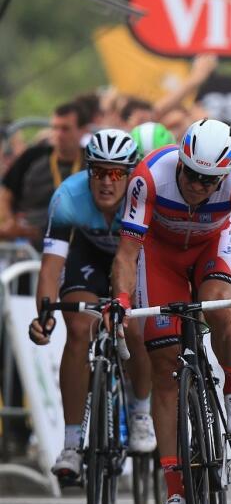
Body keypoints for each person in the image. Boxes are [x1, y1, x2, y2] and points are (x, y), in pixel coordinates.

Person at [111, 118, 231, 504]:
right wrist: (122, 303)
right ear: (181, 160)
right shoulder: (149, 177)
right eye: (192, 174)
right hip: (159, 256)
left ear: (225, 173)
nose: (198, 185)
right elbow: (127, 253)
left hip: (213, 247)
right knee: (163, 368)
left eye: (209, 180)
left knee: (221, 310)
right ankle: (175, 492)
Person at [29, 129, 155, 480]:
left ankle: (141, 411)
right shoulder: (68, 195)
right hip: (89, 260)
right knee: (79, 328)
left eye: (116, 173)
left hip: (135, 260)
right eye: (98, 171)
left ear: (131, 175)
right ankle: (71, 443)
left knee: (136, 328)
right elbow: (51, 266)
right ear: (87, 171)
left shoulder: (144, 197)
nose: (106, 182)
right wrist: (45, 313)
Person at [0, 101, 89, 248]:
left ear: (83, 131)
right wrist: (10, 222)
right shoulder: (32, 157)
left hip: (78, 241)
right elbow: (5, 194)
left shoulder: (93, 163)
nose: (58, 134)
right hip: (30, 241)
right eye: (55, 128)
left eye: (65, 129)